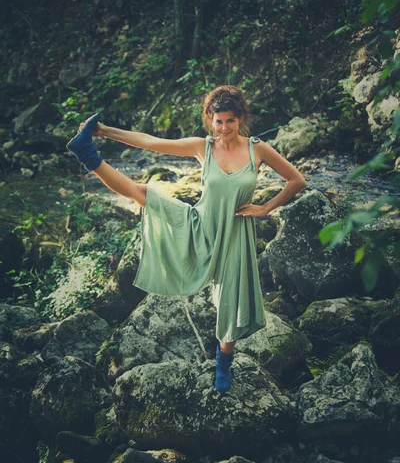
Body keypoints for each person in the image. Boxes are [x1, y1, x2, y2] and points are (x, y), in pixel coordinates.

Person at [66, 85, 307, 393]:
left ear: (240, 119)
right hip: (201, 228)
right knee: (142, 194)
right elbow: (154, 143)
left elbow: (297, 180)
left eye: (229, 121)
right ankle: (87, 153)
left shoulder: (257, 149)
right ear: (210, 120)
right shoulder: (203, 147)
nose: (223, 129)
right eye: (217, 121)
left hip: (236, 235)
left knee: (231, 302)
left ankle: (224, 364)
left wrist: (264, 208)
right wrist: (101, 130)